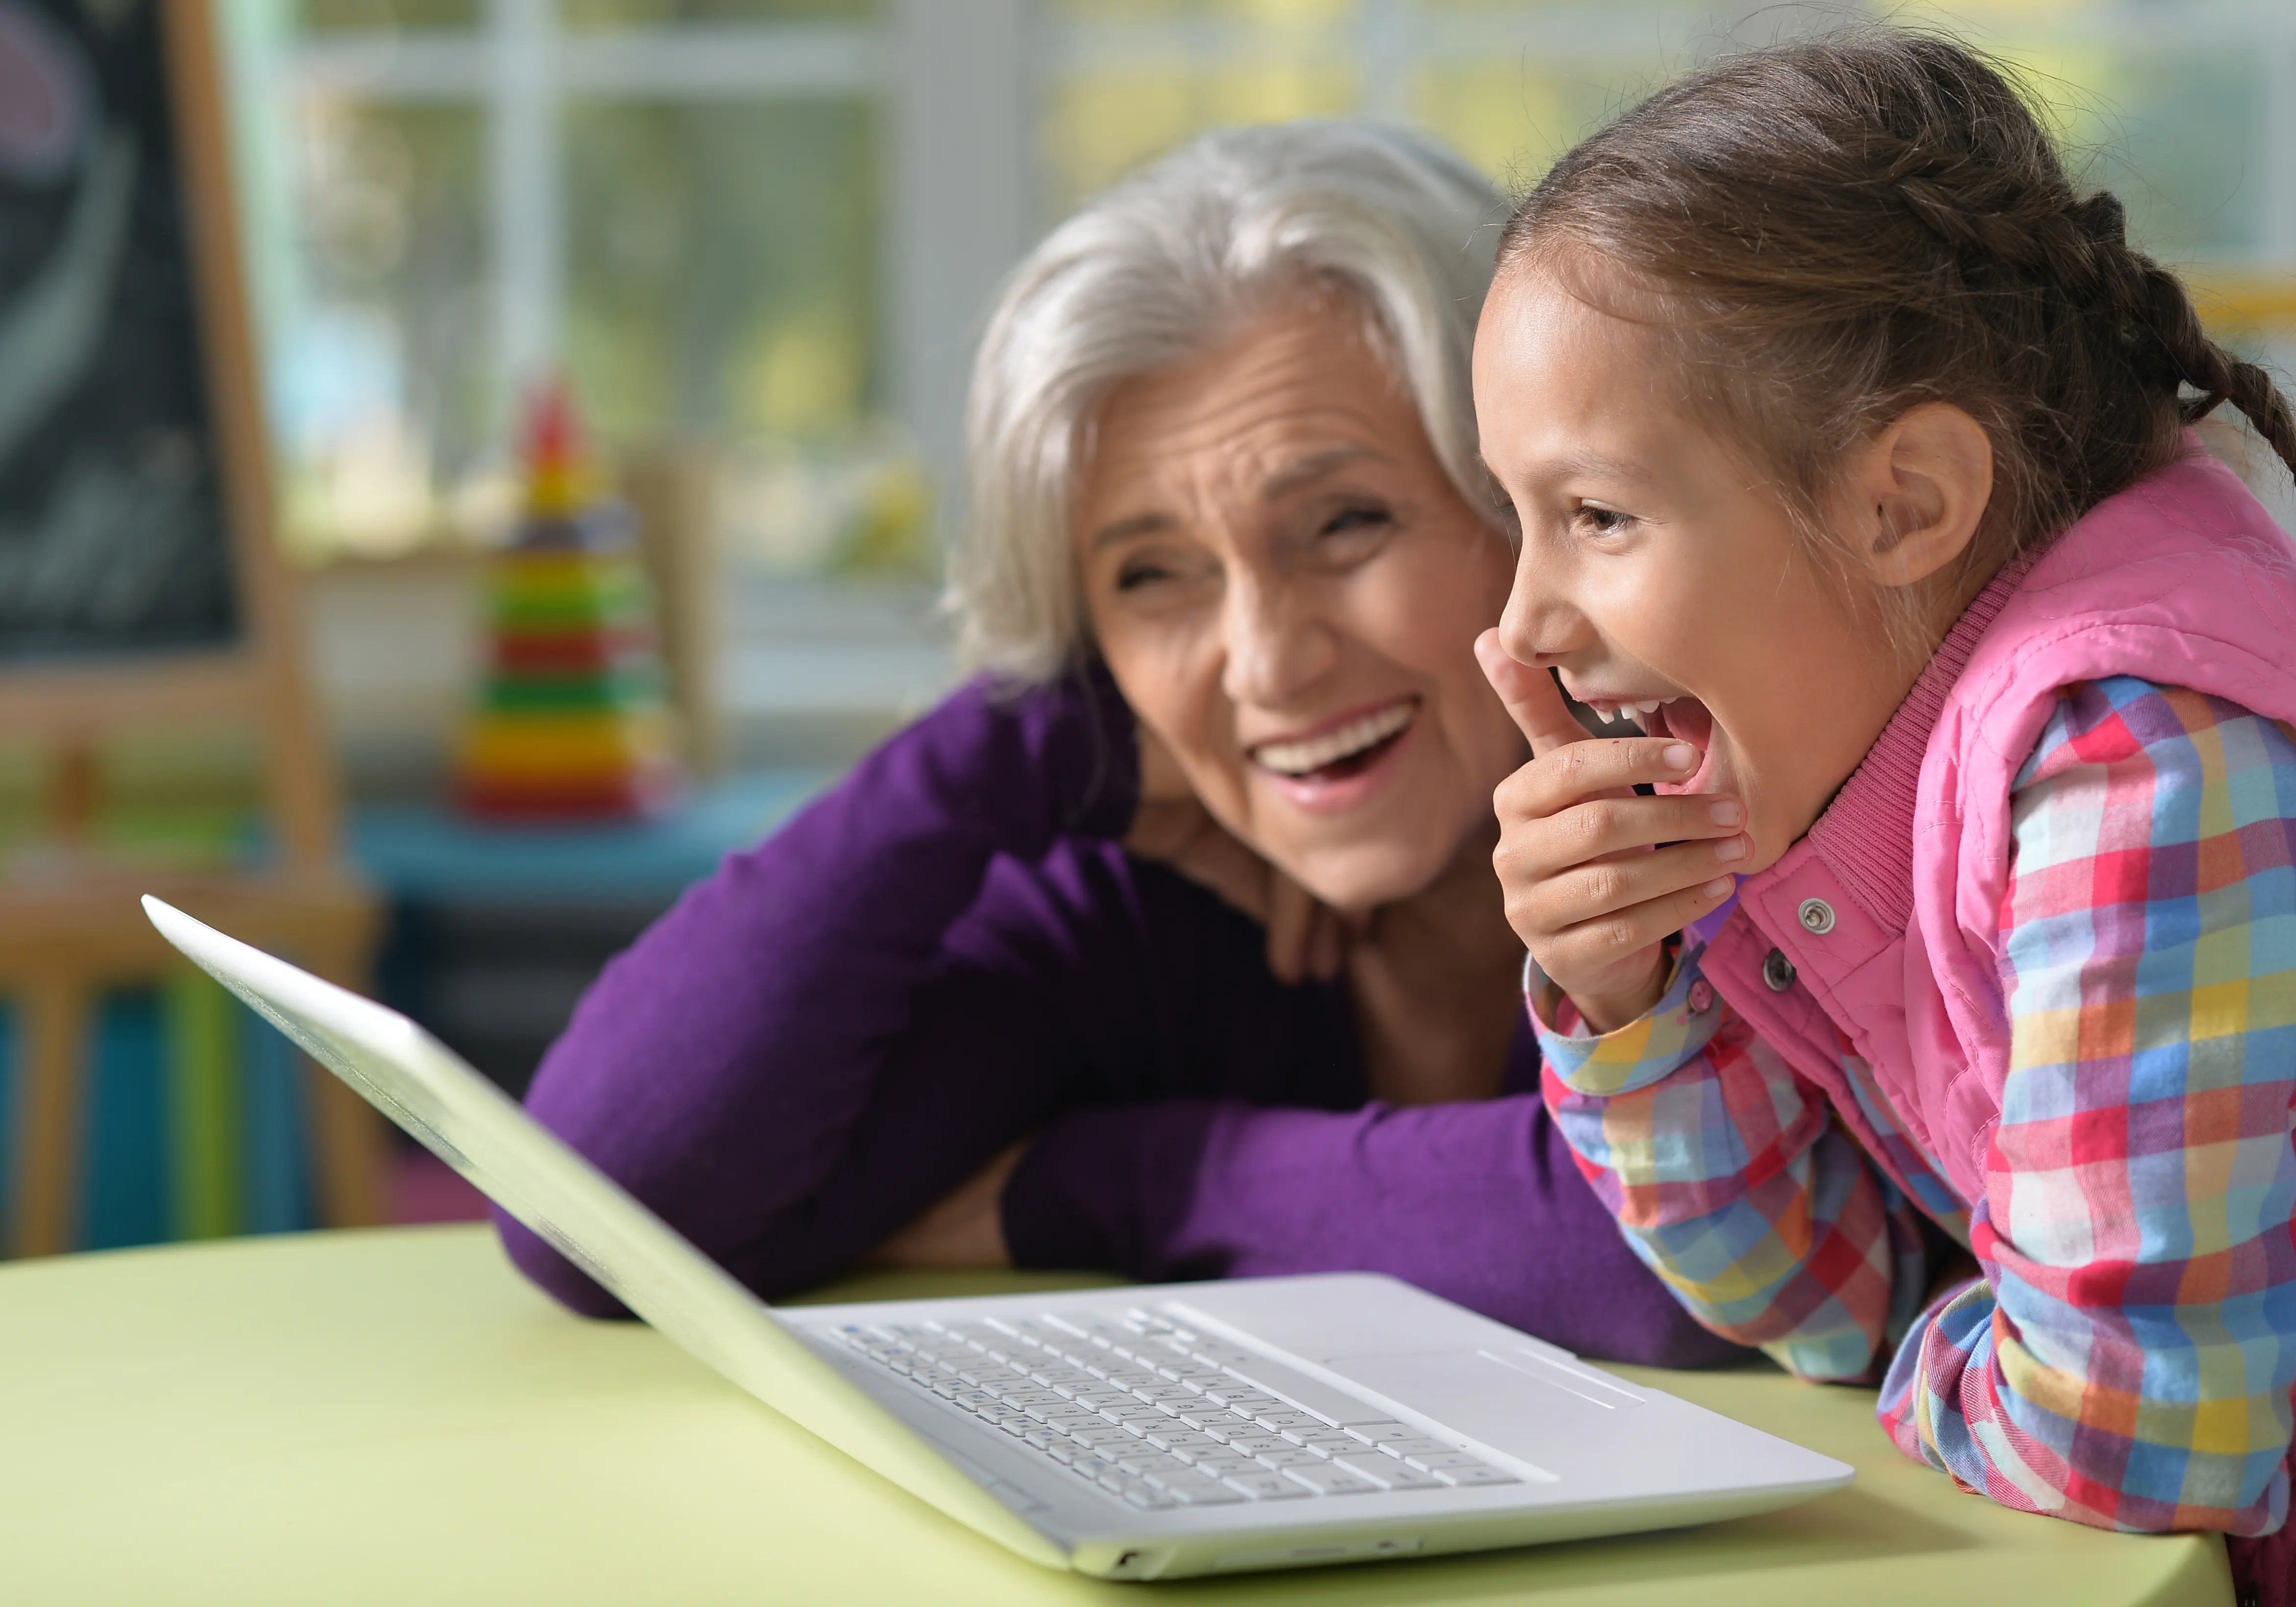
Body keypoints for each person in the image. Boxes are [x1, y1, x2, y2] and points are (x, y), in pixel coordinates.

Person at [497, 122, 1733, 1369]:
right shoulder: (1140, 907)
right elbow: (596, 1220)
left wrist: (1129, 1176)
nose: (1265, 663)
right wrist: (1007, 740)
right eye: (1152, 575)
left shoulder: (1729, 812)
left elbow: (1699, 1252)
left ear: (1536, 506)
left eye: (1344, 523)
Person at [1472, 30, 2296, 1605]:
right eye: (1518, 517)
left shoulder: (2145, 774)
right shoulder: (1888, 770)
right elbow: (1827, 1298)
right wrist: (1631, 1003)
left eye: (1598, 516)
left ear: (1903, 501)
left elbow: (2125, 1440)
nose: (1523, 625)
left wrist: (1947, 1344)